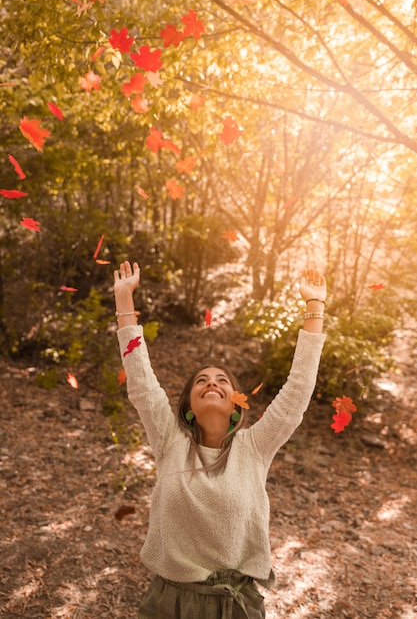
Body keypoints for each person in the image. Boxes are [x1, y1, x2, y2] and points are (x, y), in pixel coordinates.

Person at [113, 261, 326, 619]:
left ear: (235, 405)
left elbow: (298, 390)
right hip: (171, 602)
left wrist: (315, 307)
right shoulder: (170, 441)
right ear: (190, 407)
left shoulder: (255, 447)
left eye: (222, 380)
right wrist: (123, 302)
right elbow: (141, 380)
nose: (212, 382)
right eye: (201, 381)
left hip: (236, 606)